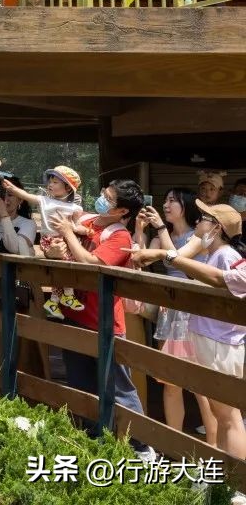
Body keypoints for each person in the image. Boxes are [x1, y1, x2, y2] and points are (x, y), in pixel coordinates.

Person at [44, 179, 153, 457]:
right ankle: (92, 441)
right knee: (80, 383)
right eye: (104, 193)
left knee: (119, 388)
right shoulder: (89, 221)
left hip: (104, 322)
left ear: (121, 213)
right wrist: (53, 251)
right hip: (74, 315)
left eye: (109, 198)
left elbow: (91, 264)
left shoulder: (120, 237)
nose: (101, 199)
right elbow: (60, 249)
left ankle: (141, 447)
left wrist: (68, 233)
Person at [130, 202, 246, 460]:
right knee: (224, 414)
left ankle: (238, 485)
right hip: (214, 341)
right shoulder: (216, 254)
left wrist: (165, 256)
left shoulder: (226, 256)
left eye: (204, 218)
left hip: (219, 343)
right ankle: (228, 477)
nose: (198, 223)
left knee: (229, 417)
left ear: (216, 228)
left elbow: (220, 281)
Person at [132, 188, 205, 434]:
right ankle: (174, 441)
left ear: (186, 206)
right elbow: (139, 259)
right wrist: (140, 230)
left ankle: (213, 447)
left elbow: (176, 259)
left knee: (200, 384)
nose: (166, 204)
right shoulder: (162, 234)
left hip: (193, 310)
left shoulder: (199, 236)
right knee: (169, 380)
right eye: (166, 199)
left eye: (173, 200)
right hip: (169, 311)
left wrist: (161, 230)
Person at [1, 165, 84, 319]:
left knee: (64, 269)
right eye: (50, 181)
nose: (50, 185)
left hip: (67, 240)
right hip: (50, 240)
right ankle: (68, 295)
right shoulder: (45, 201)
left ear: (68, 187)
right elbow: (26, 195)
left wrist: (82, 230)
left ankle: (53, 301)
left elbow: (76, 226)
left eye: (55, 182)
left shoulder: (75, 208)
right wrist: (12, 188)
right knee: (67, 265)